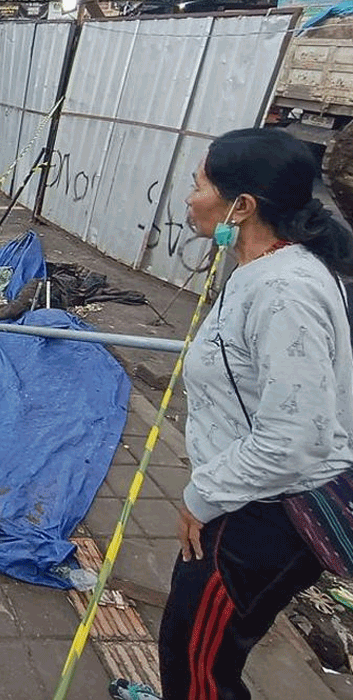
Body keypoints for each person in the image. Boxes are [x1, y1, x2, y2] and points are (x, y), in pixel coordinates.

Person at [108, 128, 353, 700]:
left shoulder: (283, 291)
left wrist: (202, 497)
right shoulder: (267, 269)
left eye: (199, 184)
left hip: (262, 517)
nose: (190, 198)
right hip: (251, 501)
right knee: (194, 644)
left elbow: (296, 436)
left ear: (241, 206)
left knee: (197, 663)